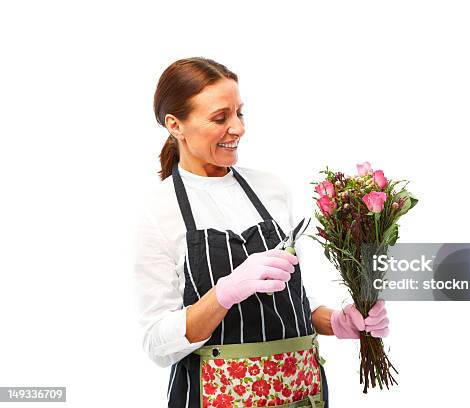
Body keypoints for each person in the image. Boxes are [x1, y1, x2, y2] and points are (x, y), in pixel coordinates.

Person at [132, 57, 390, 407]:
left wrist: (339, 321)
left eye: (240, 113)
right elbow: (157, 345)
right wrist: (224, 293)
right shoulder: (157, 210)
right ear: (175, 125)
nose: (237, 128)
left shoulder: (271, 190)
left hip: (302, 393)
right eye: (220, 117)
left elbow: (294, 302)